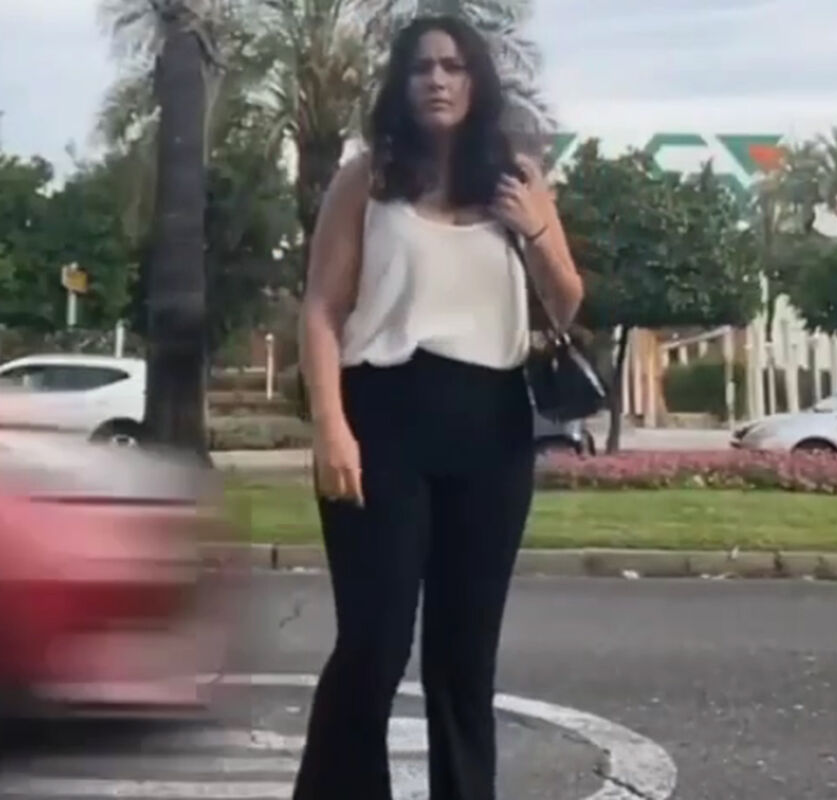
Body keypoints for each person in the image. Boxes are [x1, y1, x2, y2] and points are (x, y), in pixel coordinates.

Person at [293, 15, 584, 800]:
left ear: (478, 80)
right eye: (422, 68)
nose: (438, 80)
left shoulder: (517, 178)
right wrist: (330, 427)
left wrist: (534, 229)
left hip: (492, 424)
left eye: (454, 67)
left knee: (464, 656)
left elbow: (566, 300)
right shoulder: (368, 178)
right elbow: (321, 308)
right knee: (375, 645)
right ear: (402, 84)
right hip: (382, 416)